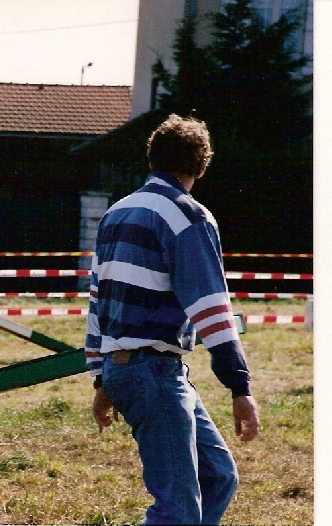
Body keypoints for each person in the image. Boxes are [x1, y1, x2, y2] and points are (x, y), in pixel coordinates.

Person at [85, 114, 260, 525]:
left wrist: (102, 376)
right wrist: (240, 386)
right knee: (178, 511)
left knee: (217, 477)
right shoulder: (188, 216)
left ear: (152, 159)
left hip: (128, 370)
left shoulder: (116, 214)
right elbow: (212, 309)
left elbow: (98, 301)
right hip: (155, 372)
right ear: (202, 165)